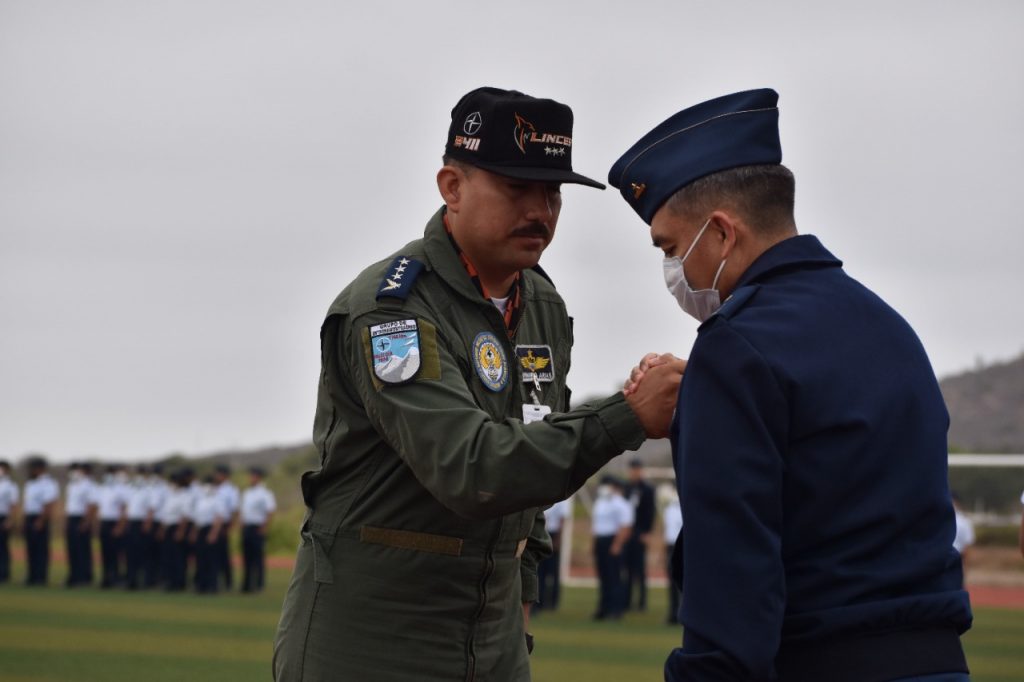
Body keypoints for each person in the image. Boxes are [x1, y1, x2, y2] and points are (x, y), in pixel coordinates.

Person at [273, 86, 683, 682]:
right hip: (371, 639)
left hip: (493, 640)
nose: (540, 210)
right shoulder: (393, 312)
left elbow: (532, 466)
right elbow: (471, 469)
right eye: (517, 188)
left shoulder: (541, 304)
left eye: (553, 192)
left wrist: (522, 599)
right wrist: (625, 416)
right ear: (452, 187)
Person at [612, 88, 972, 681]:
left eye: (672, 248)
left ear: (721, 233)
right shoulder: (889, 327)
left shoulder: (735, 347)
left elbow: (732, 580)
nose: (673, 270)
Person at [590, 476, 633, 621]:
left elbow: (625, 526)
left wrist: (617, 544)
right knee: (603, 576)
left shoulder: (621, 504)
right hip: (601, 541)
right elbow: (596, 525)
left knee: (614, 576)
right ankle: (603, 608)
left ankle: (616, 610)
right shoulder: (600, 502)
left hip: (613, 540)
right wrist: (594, 544)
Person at [623, 458, 655, 611]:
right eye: (632, 469)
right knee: (627, 568)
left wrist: (647, 532)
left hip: (640, 532)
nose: (634, 472)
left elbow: (650, 512)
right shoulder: (626, 488)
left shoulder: (647, 489)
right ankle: (627, 600)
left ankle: (642, 602)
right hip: (627, 532)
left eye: (637, 469)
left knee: (640, 569)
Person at [22, 456, 59, 586]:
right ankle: (31, 576)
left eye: (32, 468)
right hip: (29, 516)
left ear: (40, 469)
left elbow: (49, 504)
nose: (31, 471)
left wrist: (41, 520)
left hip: (40, 517)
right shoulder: (31, 483)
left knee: (41, 549)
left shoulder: (48, 483)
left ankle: (40, 577)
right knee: (31, 548)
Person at [239, 466, 276, 593]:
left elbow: (270, 511)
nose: (250, 478)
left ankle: (258, 584)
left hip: (257, 527)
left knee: (258, 558)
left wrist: (264, 527)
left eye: (253, 476)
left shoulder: (265, 493)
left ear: (258, 477)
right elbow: (244, 511)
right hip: (247, 527)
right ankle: (247, 585)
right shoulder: (247, 493)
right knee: (247, 557)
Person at [64, 462, 99, 587]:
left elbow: (92, 504)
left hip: (82, 518)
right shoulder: (72, 485)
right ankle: (74, 576)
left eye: (78, 470)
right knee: (72, 549)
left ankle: (85, 577)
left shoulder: (90, 485)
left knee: (83, 550)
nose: (75, 473)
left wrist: (86, 521)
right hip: (72, 518)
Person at [191, 475, 227, 594]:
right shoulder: (201, 499)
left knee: (212, 559)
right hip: (201, 530)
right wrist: (194, 532)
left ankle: (212, 585)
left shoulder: (217, 499)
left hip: (210, 529)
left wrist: (213, 533)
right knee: (201, 559)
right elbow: (197, 518)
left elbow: (219, 517)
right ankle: (202, 585)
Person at [534, 496, 571, 613]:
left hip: (553, 534)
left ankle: (552, 602)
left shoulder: (562, 499)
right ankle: (540, 601)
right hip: (542, 532)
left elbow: (563, 519)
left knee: (553, 571)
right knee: (540, 571)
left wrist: (558, 540)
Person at [97, 464, 129, 588]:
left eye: (111, 473)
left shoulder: (120, 489)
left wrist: (120, 526)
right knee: (105, 553)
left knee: (116, 553)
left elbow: (124, 508)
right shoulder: (103, 488)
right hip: (104, 522)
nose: (109, 475)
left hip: (115, 523)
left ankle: (116, 578)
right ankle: (106, 578)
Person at [213, 464, 240, 590]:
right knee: (216, 554)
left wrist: (231, 526)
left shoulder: (231, 490)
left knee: (224, 555)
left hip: (224, 524)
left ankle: (228, 582)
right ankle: (217, 580)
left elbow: (234, 510)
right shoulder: (217, 489)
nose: (216, 476)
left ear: (224, 475)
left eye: (218, 474)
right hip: (215, 523)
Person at [662, 490, 683, 625]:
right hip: (670, 545)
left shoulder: (684, 507)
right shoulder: (668, 509)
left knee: (682, 581)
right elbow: (667, 530)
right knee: (672, 581)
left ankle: (681, 613)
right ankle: (673, 612)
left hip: (682, 545)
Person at [0, 460, 19, 583]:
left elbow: (13, 504)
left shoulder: (10, 486)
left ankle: (3, 574)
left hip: (3, 517)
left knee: (2, 547)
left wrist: (10, 520)